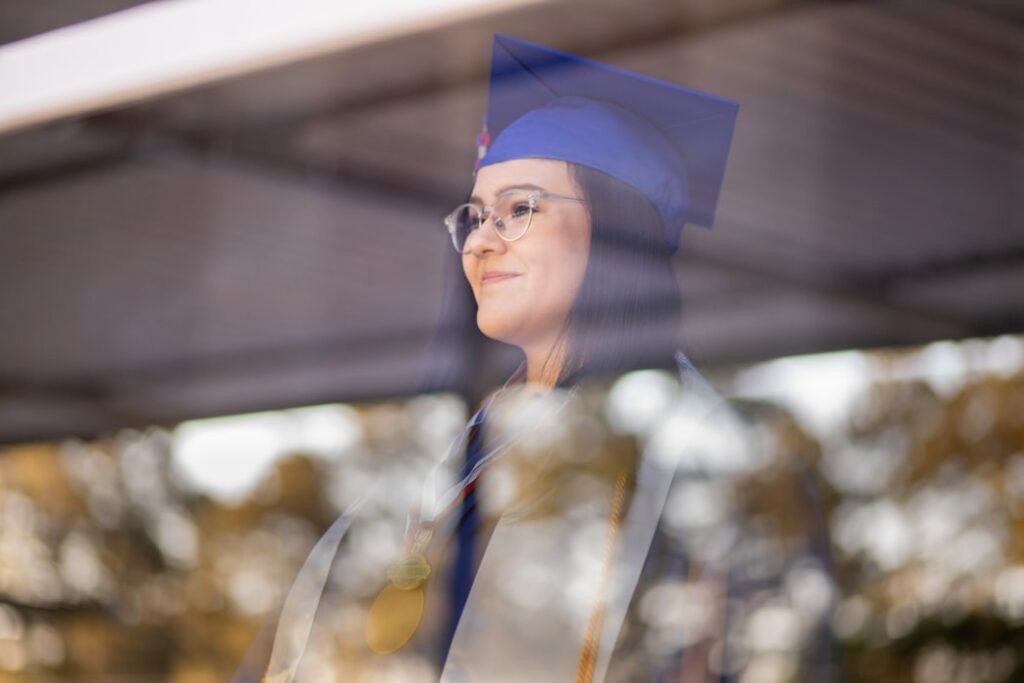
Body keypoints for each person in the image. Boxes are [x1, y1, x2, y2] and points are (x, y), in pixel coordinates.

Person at [246, 34, 834, 683]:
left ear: (614, 229)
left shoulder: (701, 449)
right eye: (473, 216)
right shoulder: (456, 442)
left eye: (518, 209)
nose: (479, 244)